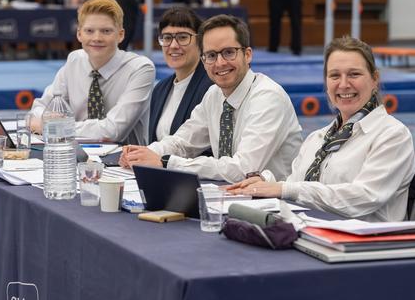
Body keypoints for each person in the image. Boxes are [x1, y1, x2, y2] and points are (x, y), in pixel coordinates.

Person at [229, 36, 415, 222]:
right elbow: (296, 187)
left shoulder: (393, 135)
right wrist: (265, 184)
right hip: (311, 233)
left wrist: (285, 189)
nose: (343, 84)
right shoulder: (317, 139)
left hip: (368, 244)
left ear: (374, 79)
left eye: (354, 74)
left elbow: (364, 197)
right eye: (335, 75)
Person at [120, 14, 303, 183]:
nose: (220, 62)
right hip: (231, 198)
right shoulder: (214, 94)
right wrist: (144, 153)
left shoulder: (268, 97)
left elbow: (243, 169)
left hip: (280, 206)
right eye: (211, 55)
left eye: (229, 52)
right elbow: (183, 142)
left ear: (247, 55)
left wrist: (166, 161)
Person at [29, 0, 155, 144]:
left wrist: (55, 127)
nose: (97, 38)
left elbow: (113, 131)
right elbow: (39, 109)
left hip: (123, 162)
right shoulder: (74, 60)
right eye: (89, 31)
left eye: (106, 31)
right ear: (79, 34)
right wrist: (46, 120)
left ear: (120, 35)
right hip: (77, 157)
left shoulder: (140, 69)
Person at [149, 6, 213, 143]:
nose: (173, 45)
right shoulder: (160, 89)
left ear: (200, 41)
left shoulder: (212, 87)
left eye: (183, 37)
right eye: (167, 38)